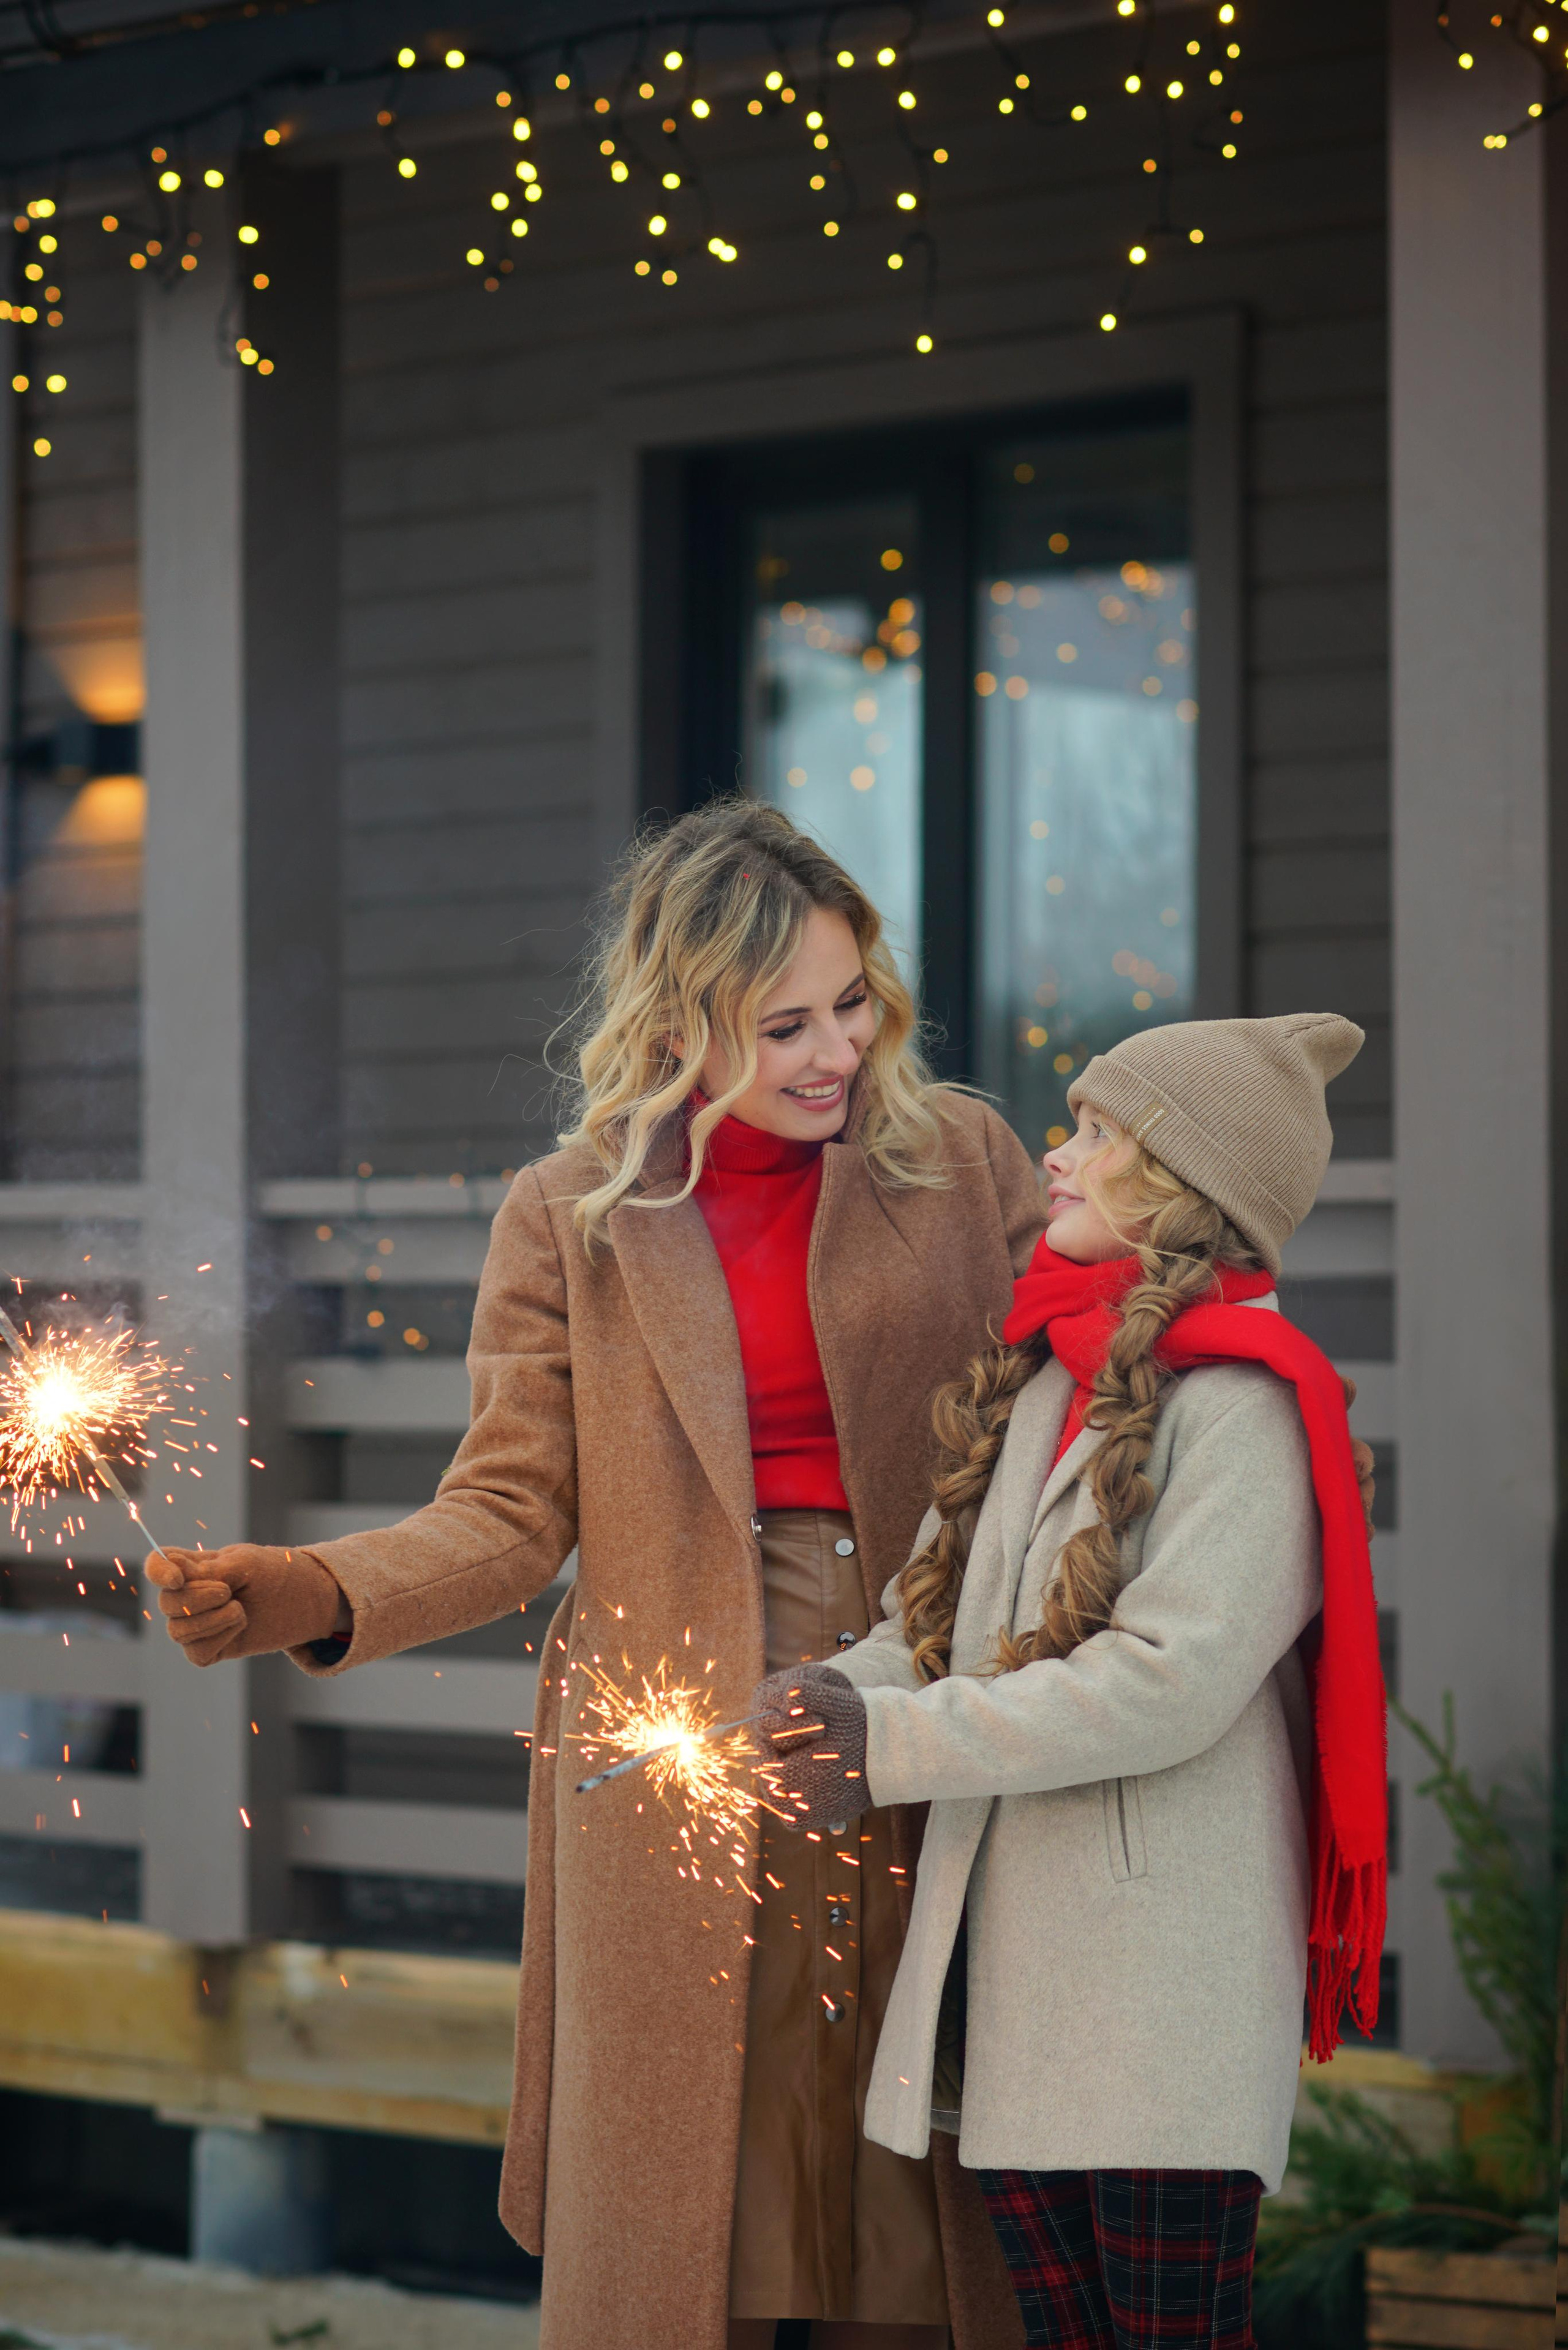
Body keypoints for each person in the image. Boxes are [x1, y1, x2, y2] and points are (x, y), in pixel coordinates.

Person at [148, 799, 1045, 2350]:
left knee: (921, 2151)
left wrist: (1242, 1425)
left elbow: (1088, 1377)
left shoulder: (960, 1157)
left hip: (936, 1688)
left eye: (850, 1003)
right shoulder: (572, 1216)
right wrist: (318, 1588)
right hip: (681, 1730)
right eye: (780, 1024)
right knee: (720, 2168)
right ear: (680, 1020)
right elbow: (507, 1509)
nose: (833, 1050)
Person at [752, 1014, 1388, 2350]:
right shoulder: (1042, 1376)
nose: (1055, 1154)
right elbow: (927, 1625)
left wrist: (886, 1746)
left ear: (1183, 1180)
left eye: (1097, 1132)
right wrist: (817, 1695)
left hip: (1159, 1997)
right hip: (1024, 1990)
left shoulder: (1250, 1412)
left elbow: (1159, 1684)